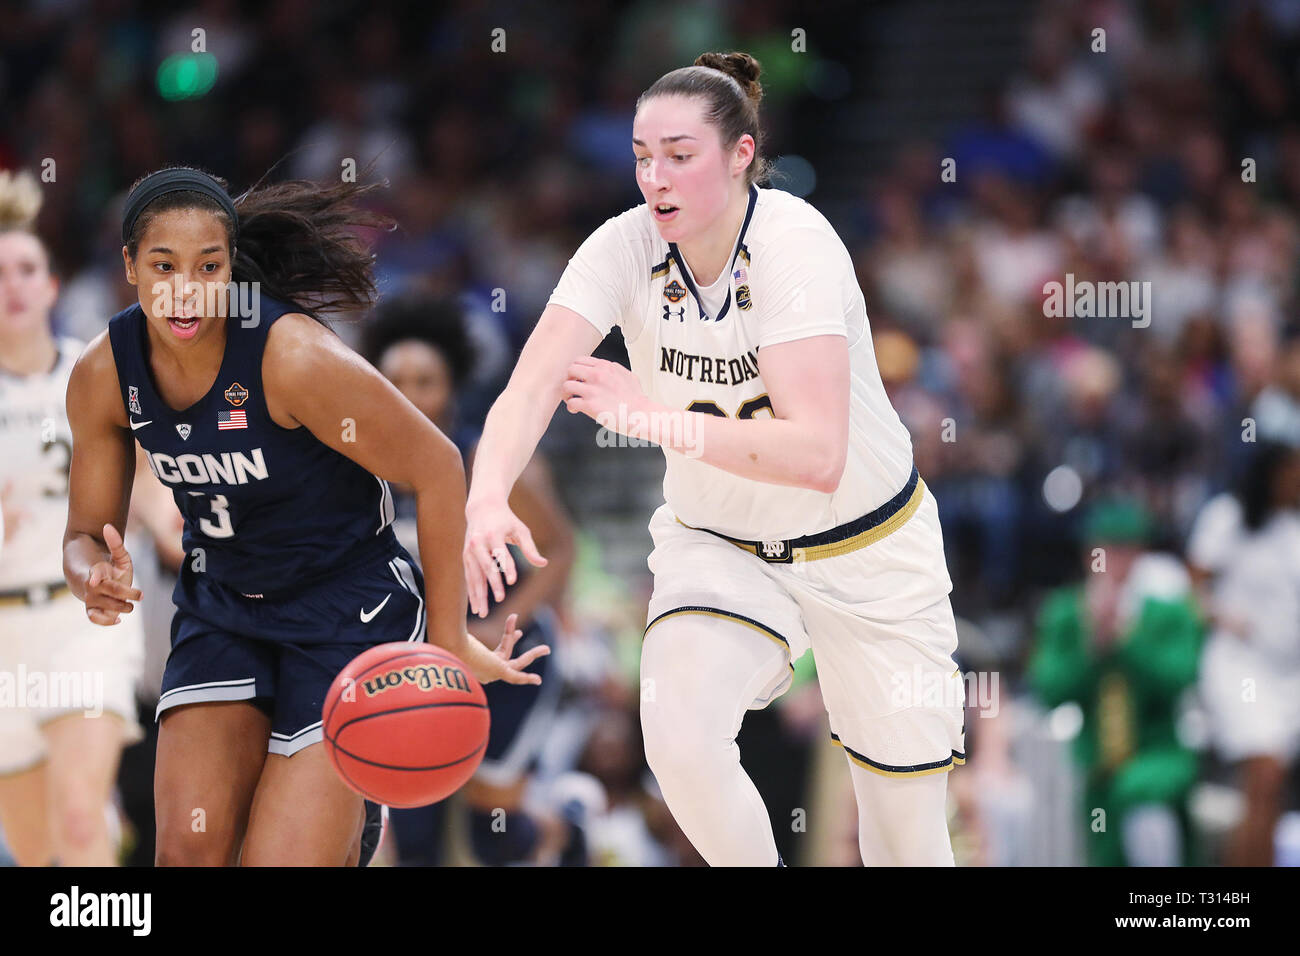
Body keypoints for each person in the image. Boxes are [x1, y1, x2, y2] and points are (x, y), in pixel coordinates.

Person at [462, 52, 966, 866]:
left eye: (679, 155)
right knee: (680, 740)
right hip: (722, 544)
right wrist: (486, 500)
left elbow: (815, 455)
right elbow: (528, 389)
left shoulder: (798, 247)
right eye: (640, 156)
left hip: (868, 548)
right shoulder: (622, 246)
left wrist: (654, 418)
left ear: (740, 156)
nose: (654, 178)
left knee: (906, 841)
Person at [62, 165, 546, 867]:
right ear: (131, 266)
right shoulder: (104, 371)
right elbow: (83, 535)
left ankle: (348, 825)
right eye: (163, 265)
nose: (186, 288)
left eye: (209, 265)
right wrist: (91, 575)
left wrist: (443, 646)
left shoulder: (291, 357)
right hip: (222, 602)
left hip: (346, 608)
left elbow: (439, 465)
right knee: (190, 851)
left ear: (232, 269)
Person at [363, 294, 583, 865]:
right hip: (416, 666)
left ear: (453, 385)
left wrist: (495, 626)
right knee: (413, 833)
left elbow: (560, 549)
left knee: (494, 834)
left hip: (504, 655)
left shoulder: (486, 457)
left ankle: (568, 829)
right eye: (396, 380)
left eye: (426, 379)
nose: (410, 394)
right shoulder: (358, 472)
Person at [0, 169, 145, 865]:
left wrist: (180, 533)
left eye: (27, 269)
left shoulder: (90, 376)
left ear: (53, 286)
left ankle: (100, 823)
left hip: (80, 617)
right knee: (34, 851)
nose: (13, 285)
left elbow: (148, 486)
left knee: (80, 823)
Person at [1028, 499, 1202, 867]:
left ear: (1140, 554)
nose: (1112, 560)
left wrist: (1127, 641)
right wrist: (1091, 648)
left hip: (1158, 755)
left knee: (1144, 807)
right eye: (1103, 549)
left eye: (1123, 549)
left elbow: (1181, 678)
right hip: (1097, 768)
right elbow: (1048, 690)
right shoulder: (1067, 614)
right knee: (1103, 851)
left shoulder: (1168, 612)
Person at [1196, 440, 1300, 865]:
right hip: (1240, 666)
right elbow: (1193, 588)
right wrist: (1224, 616)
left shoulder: (1294, 526)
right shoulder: (1227, 517)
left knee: (1269, 792)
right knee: (1265, 770)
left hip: (1287, 672)